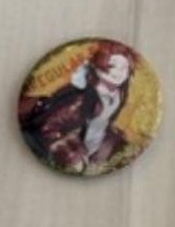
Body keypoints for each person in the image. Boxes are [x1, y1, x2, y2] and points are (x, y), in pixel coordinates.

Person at [19, 42, 137, 173]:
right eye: (112, 65)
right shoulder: (80, 98)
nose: (117, 72)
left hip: (96, 142)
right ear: (98, 66)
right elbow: (50, 127)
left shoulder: (119, 93)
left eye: (124, 68)